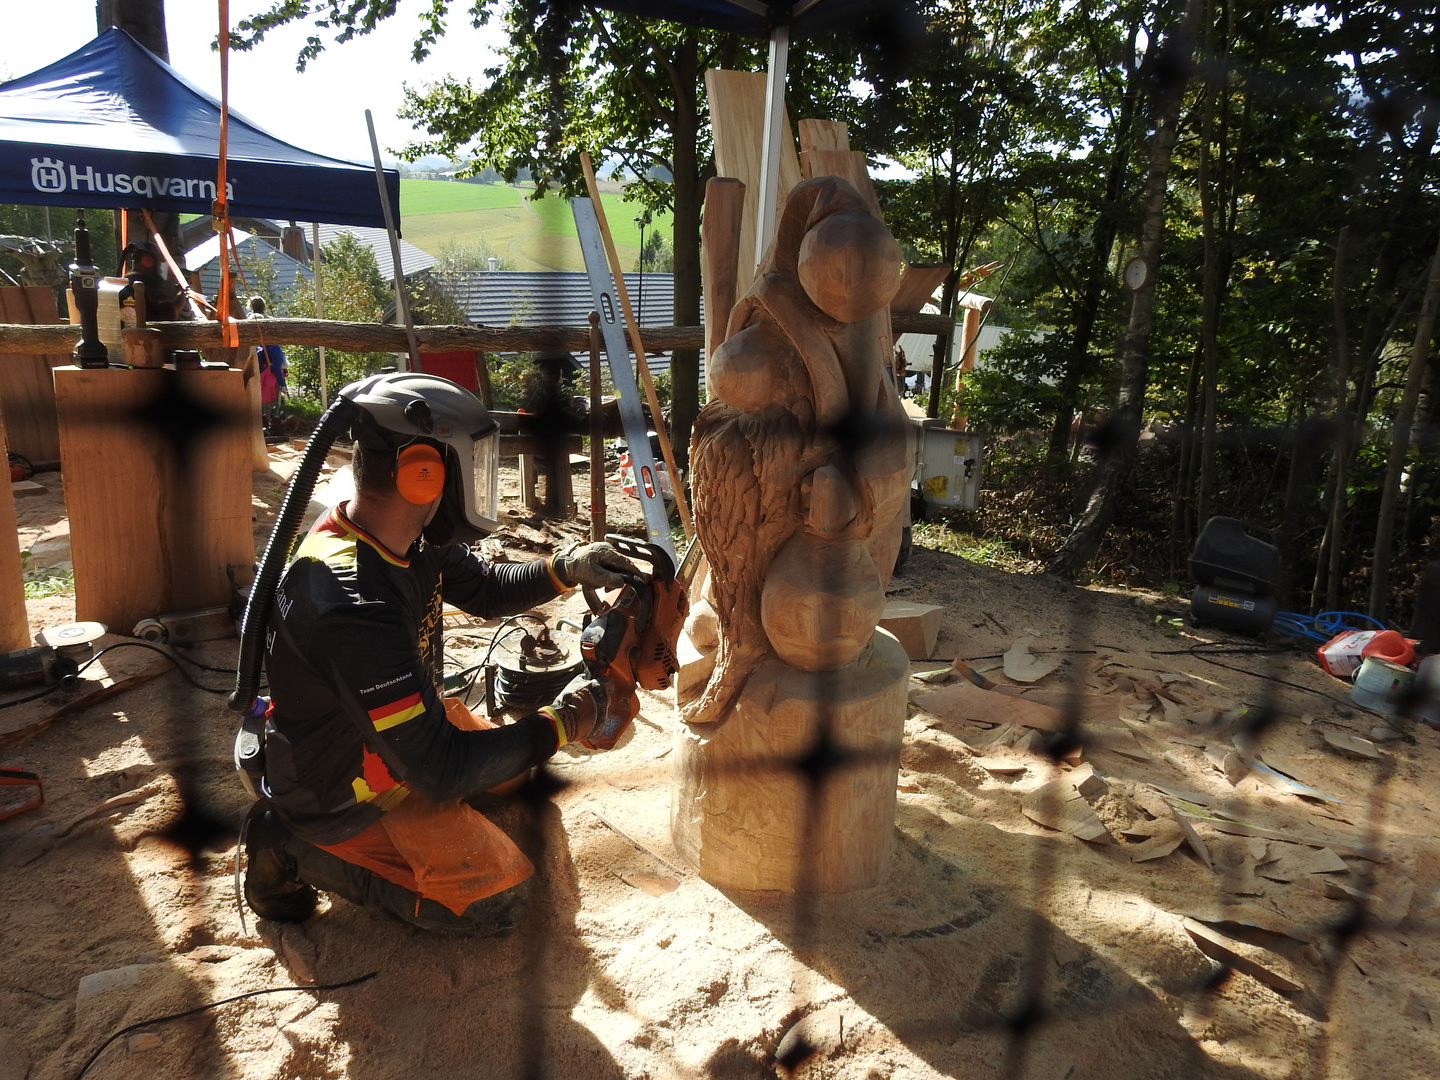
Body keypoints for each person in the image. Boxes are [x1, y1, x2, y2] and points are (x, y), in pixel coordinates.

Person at [242, 372, 639, 936]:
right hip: (341, 787)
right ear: (422, 475)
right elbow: (441, 770)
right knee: (498, 902)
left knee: (515, 780)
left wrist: (566, 567)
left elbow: (483, 589)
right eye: (469, 465)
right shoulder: (352, 602)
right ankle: (289, 843)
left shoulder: (408, 535)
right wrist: (568, 719)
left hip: (400, 733)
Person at [248, 296, 287, 434]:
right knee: (271, 401)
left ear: (250, 306)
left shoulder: (248, 320)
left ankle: (260, 425)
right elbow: (277, 364)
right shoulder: (270, 322)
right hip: (270, 370)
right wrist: (283, 383)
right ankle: (269, 425)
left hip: (257, 367)